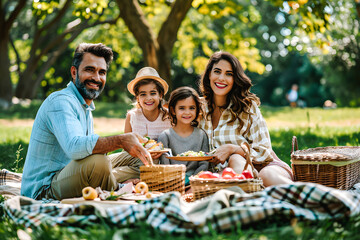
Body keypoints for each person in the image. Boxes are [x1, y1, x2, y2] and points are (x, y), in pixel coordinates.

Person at [21, 43, 152, 200]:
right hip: (45, 188)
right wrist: (120, 140)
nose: (96, 78)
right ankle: (118, 189)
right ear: (74, 72)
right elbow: (75, 148)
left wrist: (128, 143)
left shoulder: (85, 106)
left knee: (142, 155)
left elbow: (85, 153)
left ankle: (112, 184)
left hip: (72, 172)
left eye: (102, 72)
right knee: (98, 163)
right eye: (90, 70)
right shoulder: (61, 101)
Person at [199, 51, 293, 187]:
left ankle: (325, 197)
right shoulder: (197, 108)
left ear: (235, 79)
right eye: (217, 71)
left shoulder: (247, 107)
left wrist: (233, 149)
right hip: (226, 176)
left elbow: (264, 151)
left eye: (229, 74)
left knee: (263, 174)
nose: (221, 78)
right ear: (209, 75)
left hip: (265, 167)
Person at [158, 87, 209, 185]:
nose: (187, 112)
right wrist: (176, 182)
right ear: (173, 111)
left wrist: (192, 181)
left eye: (192, 108)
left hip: (196, 182)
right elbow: (165, 165)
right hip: (171, 182)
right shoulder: (165, 136)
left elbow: (204, 164)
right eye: (182, 108)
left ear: (197, 109)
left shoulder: (202, 135)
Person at [124, 67, 172, 162]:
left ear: (160, 95)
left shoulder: (169, 116)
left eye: (153, 93)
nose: (148, 98)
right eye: (143, 94)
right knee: (108, 163)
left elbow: (174, 144)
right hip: (135, 160)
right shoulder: (132, 116)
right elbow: (126, 147)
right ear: (137, 98)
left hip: (162, 161)